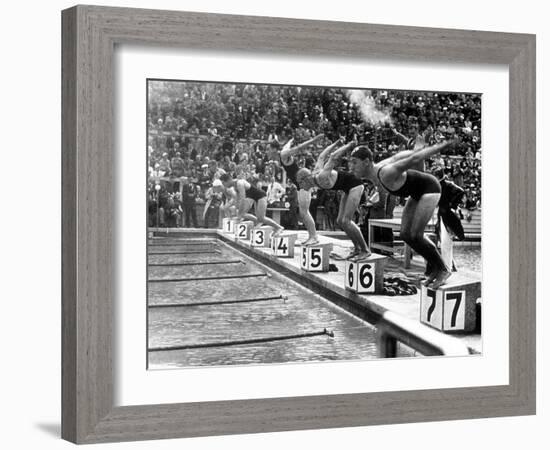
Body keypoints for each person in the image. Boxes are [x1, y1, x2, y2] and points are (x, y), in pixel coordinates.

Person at [348, 139, 457, 288]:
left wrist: (442, 145)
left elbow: (414, 159)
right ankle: (434, 267)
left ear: (366, 162)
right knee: (405, 234)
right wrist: (414, 150)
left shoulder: (385, 173)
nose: (351, 167)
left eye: (354, 162)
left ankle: (443, 269)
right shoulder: (379, 170)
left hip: (430, 189)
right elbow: (401, 156)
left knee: (416, 235)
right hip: (415, 193)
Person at [296, 137, 370, 261]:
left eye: (300, 184)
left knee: (346, 220)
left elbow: (333, 157)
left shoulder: (321, 176)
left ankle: (365, 249)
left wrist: (349, 145)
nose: (301, 187)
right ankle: (357, 248)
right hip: (346, 188)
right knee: (340, 221)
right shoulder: (315, 173)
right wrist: (336, 142)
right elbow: (322, 155)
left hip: (355, 185)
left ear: (306, 179)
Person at [269, 133, 325, 245]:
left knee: (304, 212)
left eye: (268, 149)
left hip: (303, 182)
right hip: (300, 182)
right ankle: (312, 236)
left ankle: (314, 236)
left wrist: (314, 140)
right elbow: (288, 144)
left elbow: (299, 148)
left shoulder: (284, 154)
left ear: (274, 149)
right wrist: (291, 139)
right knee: (303, 212)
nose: (267, 152)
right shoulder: (283, 151)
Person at [219, 173, 284, 235]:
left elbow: (242, 199)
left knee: (261, 218)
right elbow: (237, 200)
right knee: (242, 213)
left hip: (261, 196)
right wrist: (236, 209)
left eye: (223, 183)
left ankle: (278, 227)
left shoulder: (239, 183)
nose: (224, 185)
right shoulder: (234, 186)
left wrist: (239, 212)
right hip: (252, 198)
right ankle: (257, 222)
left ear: (228, 180)